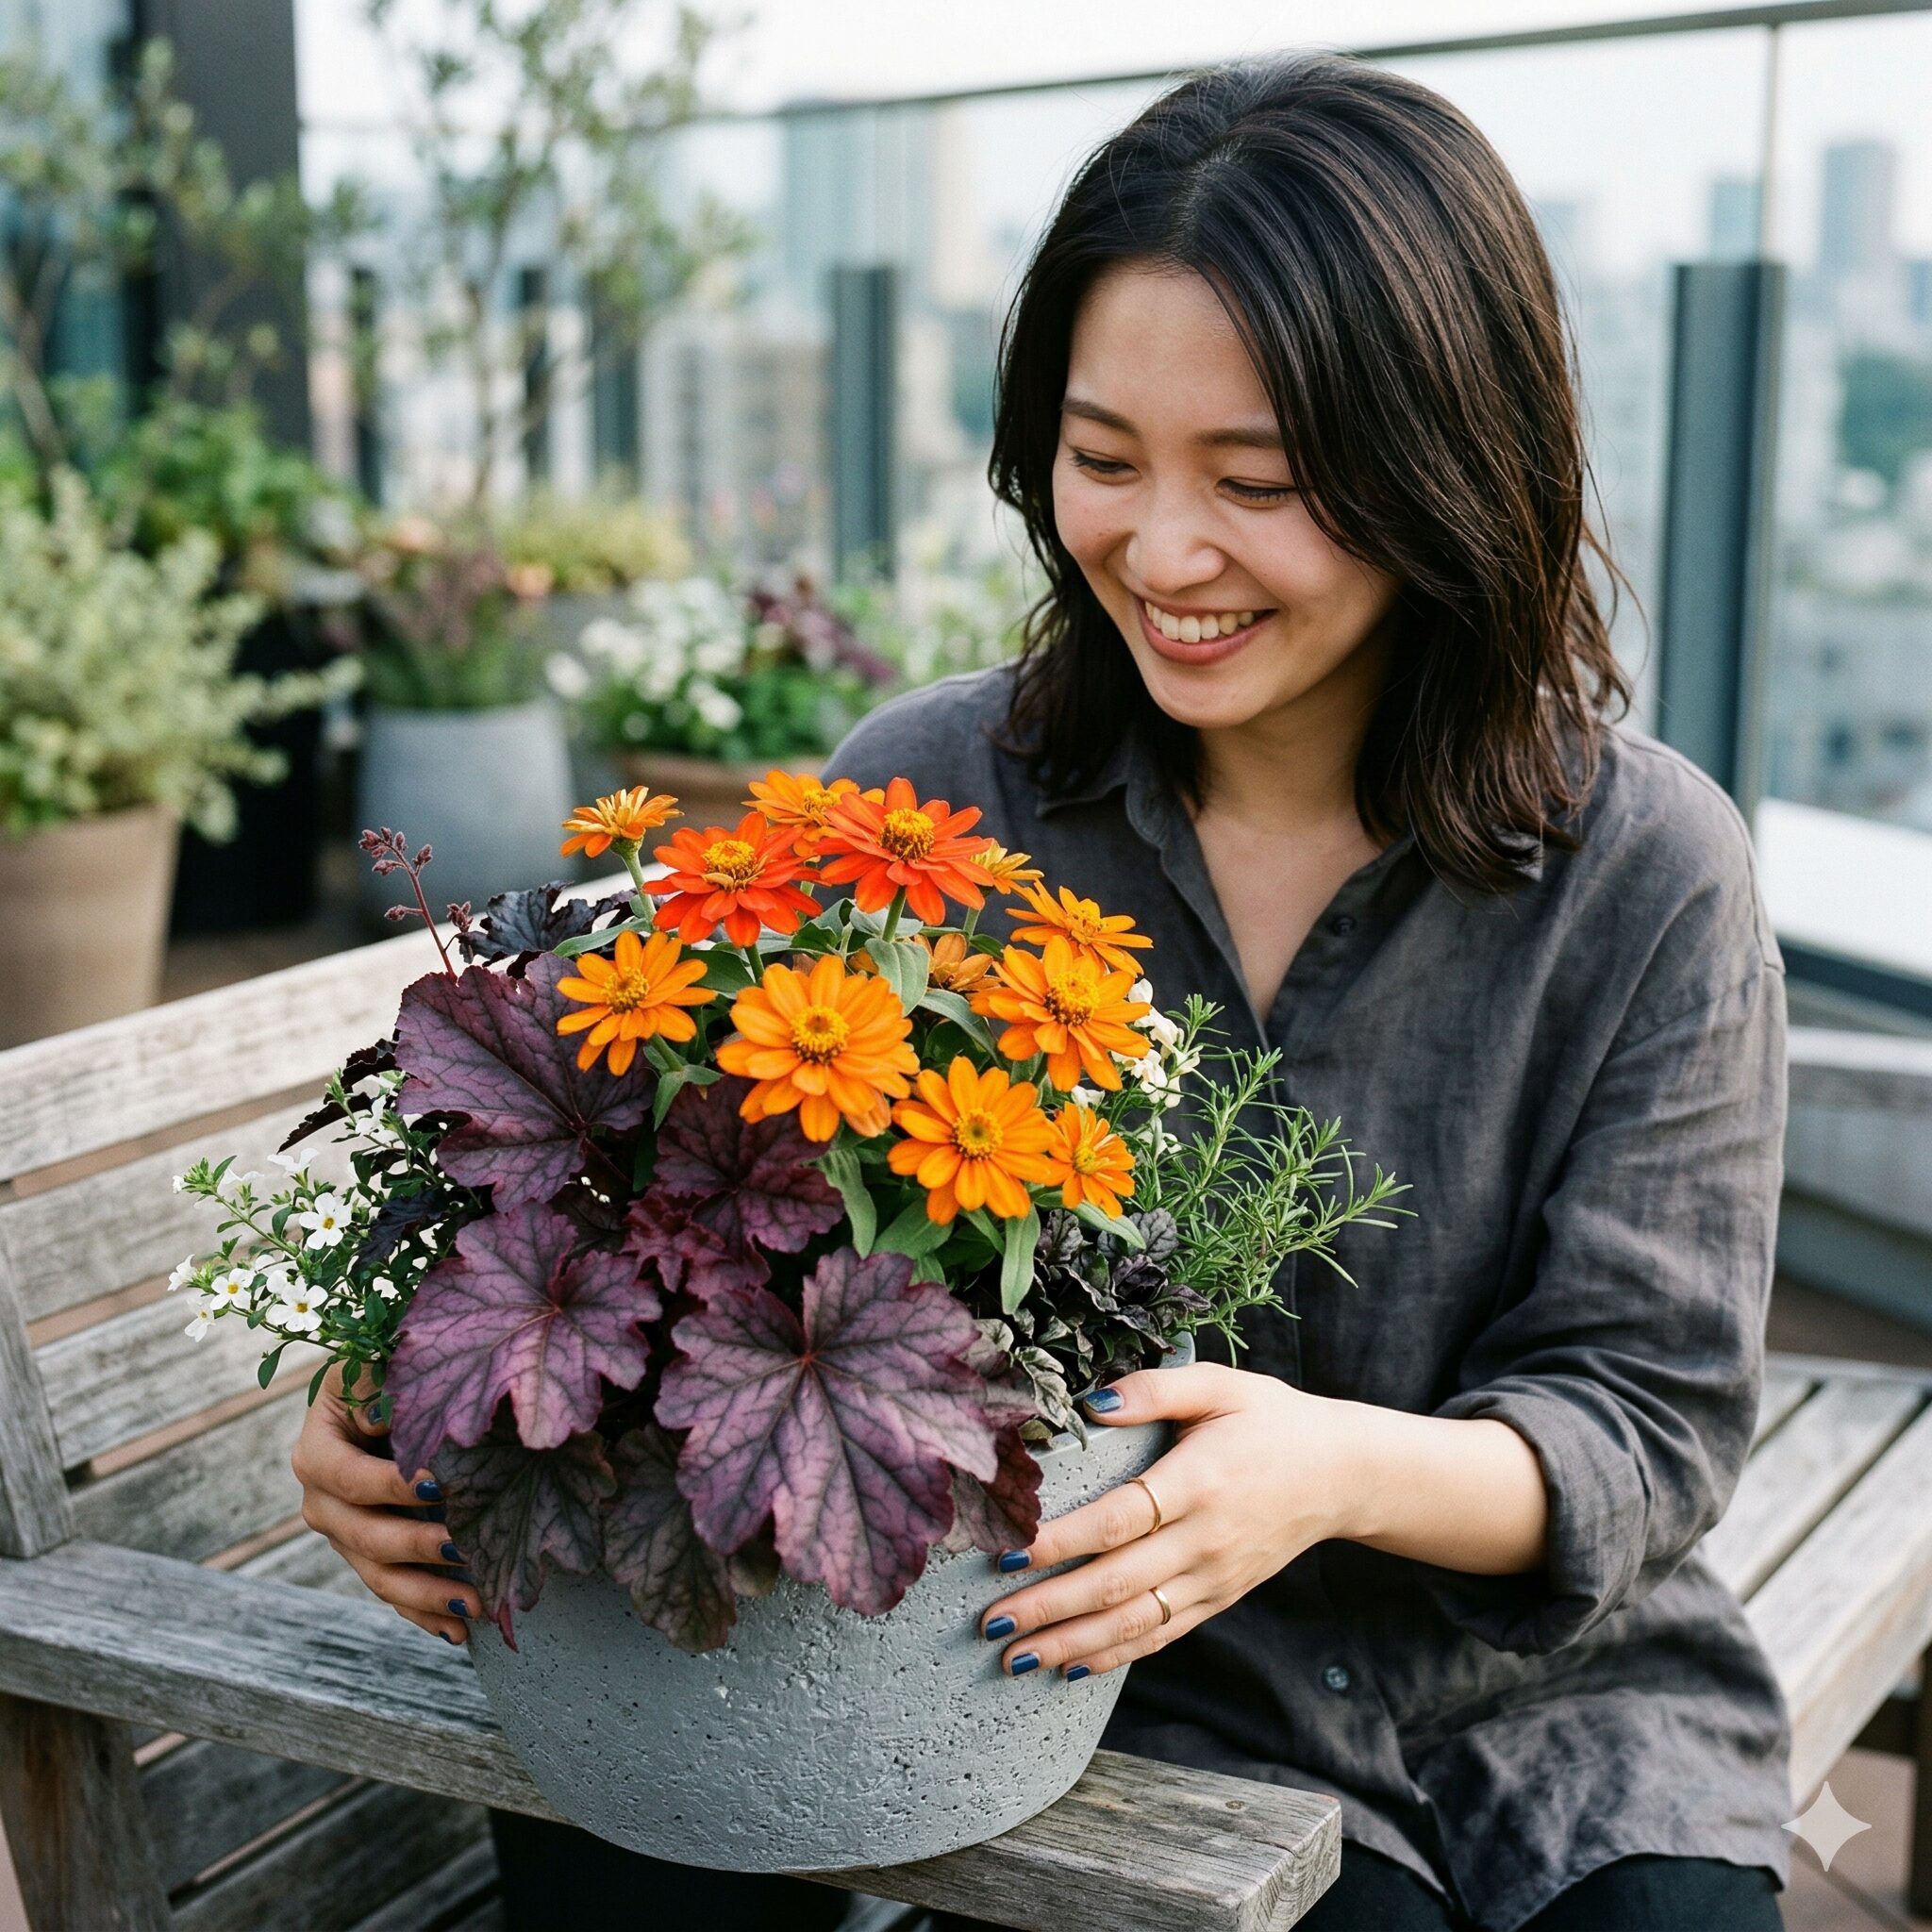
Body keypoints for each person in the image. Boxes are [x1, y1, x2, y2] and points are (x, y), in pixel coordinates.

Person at [291, 51, 1792, 1932]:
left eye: (1261, 483)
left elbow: (1643, 1426)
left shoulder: (1645, 867)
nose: (1162, 554)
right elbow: (664, 1195)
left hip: (1531, 1692)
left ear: (1446, 470)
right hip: (1080, 1684)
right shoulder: (920, 802)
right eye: (1102, 459)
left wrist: (1323, 1473)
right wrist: (409, 1394)